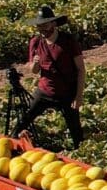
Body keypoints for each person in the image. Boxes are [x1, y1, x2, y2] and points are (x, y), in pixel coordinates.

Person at [11, 8, 85, 147]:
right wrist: (34, 64)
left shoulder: (68, 41)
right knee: (23, 121)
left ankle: (80, 154)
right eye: (39, 26)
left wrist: (78, 96)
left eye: (45, 25)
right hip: (44, 91)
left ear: (54, 24)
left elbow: (81, 69)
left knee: (76, 133)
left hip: (67, 92)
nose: (42, 29)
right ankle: (13, 144)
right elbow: (34, 70)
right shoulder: (36, 42)